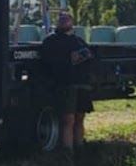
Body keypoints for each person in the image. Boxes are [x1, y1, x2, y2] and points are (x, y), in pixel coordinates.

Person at [39, 8, 95, 150]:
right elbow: (50, 62)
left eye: (67, 18)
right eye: (61, 19)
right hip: (65, 84)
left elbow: (89, 56)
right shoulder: (50, 41)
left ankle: (80, 150)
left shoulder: (79, 40)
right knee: (68, 120)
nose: (64, 20)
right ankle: (67, 155)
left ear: (72, 22)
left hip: (81, 84)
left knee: (80, 118)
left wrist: (78, 57)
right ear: (57, 23)